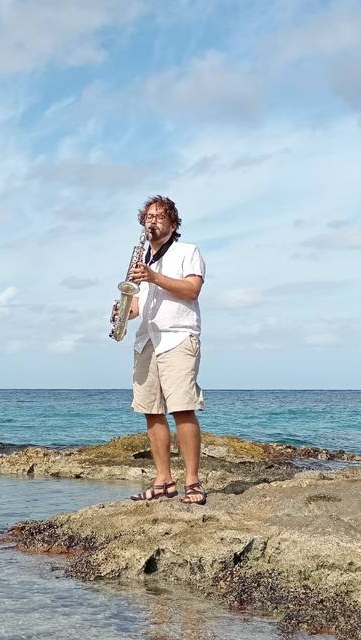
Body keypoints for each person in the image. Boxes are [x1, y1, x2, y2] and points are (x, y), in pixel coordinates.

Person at [126, 195, 207, 505]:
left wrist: (153, 276)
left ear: (174, 224)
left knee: (182, 408)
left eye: (160, 216)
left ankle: (193, 483)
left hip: (178, 336)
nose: (152, 220)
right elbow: (137, 303)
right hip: (146, 339)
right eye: (148, 216)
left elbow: (192, 289)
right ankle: (163, 482)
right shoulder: (141, 258)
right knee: (151, 411)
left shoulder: (188, 251)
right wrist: (124, 312)